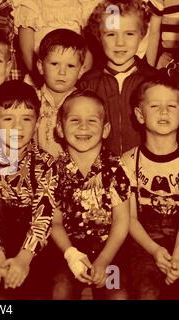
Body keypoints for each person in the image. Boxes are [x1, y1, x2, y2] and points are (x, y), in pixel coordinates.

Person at [0, 80, 58, 299]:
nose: (18, 127)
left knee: (38, 289)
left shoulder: (46, 163)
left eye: (26, 119)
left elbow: (44, 215)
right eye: (8, 119)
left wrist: (24, 259)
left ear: (37, 123)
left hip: (34, 247)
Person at [52, 89, 130, 299]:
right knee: (60, 289)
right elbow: (55, 223)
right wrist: (72, 256)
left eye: (92, 121)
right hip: (68, 251)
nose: (83, 127)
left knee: (118, 293)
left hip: (110, 251)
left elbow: (122, 221)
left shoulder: (115, 168)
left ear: (105, 130)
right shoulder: (54, 170)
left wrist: (104, 260)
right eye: (74, 120)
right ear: (60, 128)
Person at [79, 0, 161, 155]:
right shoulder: (87, 83)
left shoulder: (154, 81)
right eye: (111, 34)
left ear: (142, 35)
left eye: (129, 34)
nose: (120, 42)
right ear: (99, 36)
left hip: (144, 166)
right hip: (101, 168)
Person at [122, 77, 179, 299]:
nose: (164, 112)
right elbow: (130, 219)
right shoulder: (127, 162)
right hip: (144, 241)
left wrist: (177, 255)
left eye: (172, 106)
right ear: (139, 115)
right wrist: (155, 251)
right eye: (155, 106)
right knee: (146, 290)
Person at [35, 29, 87, 158]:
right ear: (41, 66)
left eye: (70, 66)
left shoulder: (83, 104)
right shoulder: (31, 100)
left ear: (80, 71)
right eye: (54, 64)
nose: (62, 72)